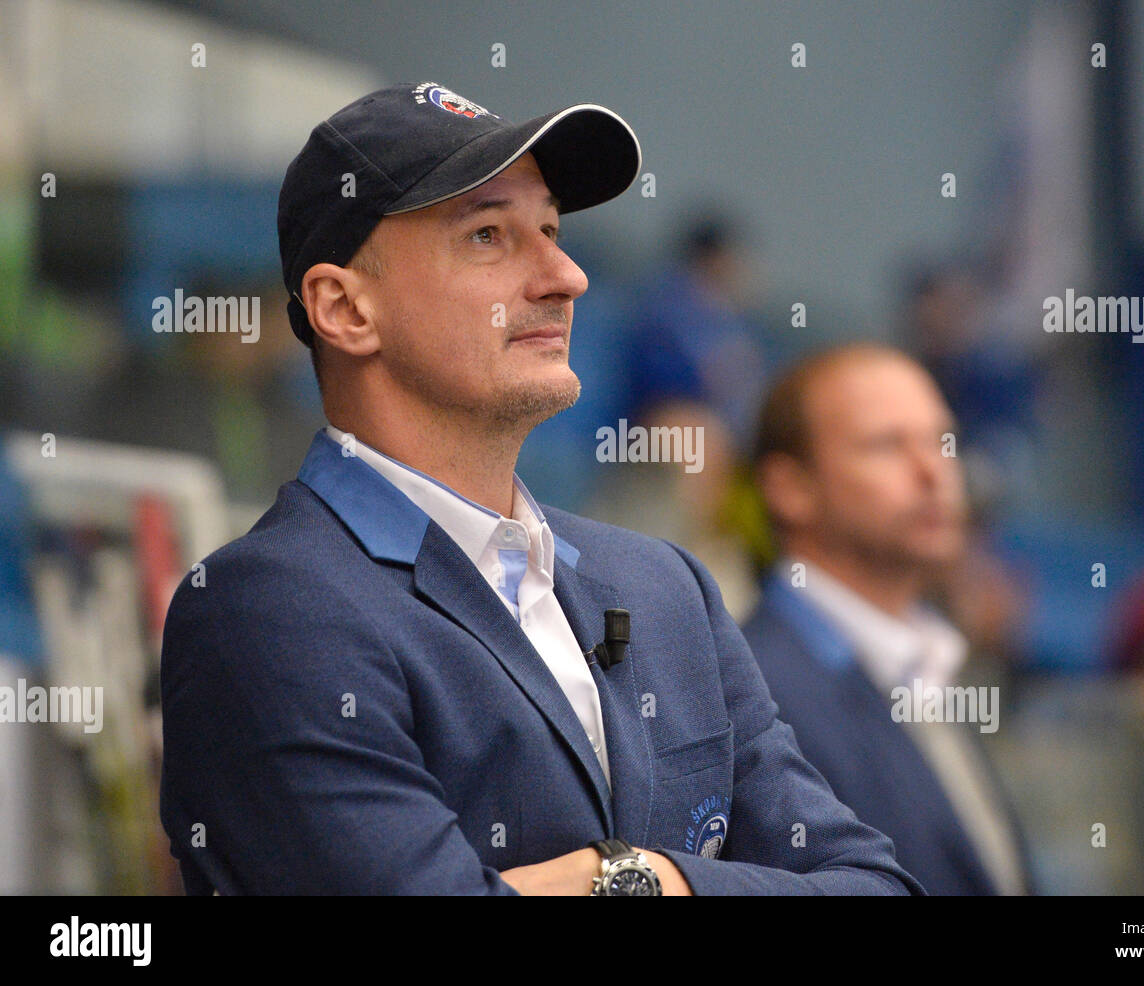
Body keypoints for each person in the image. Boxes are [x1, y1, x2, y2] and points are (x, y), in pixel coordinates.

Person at [158, 82, 923, 896]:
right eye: (489, 234)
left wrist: (638, 878)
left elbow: (875, 886)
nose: (566, 276)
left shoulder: (667, 590)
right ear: (346, 309)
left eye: (552, 230)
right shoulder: (268, 611)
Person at [743, 344, 1033, 895]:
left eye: (941, 442)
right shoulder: (756, 688)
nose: (933, 472)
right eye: (886, 446)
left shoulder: (926, 658)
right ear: (790, 488)